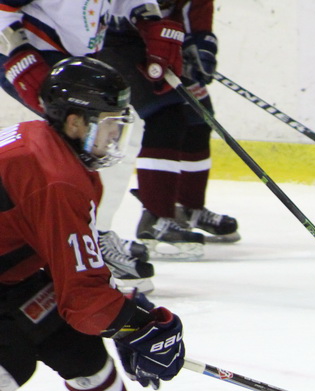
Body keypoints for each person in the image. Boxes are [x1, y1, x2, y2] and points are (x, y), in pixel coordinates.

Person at [0, 57, 187, 391]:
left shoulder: (46, 146)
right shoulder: (57, 178)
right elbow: (84, 300)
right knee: (10, 358)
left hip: (11, 274)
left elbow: (78, 283)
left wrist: (124, 318)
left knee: (75, 346)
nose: (115, 137)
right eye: (108, 125)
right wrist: (137, 324)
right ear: (74, 122)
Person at [0, 1, 185, 279]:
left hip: (75, 51)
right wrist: (17, 52)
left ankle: (88, 236)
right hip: (28, 50)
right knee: (94, 132)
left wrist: (149, 20)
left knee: (109, 130)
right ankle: (88, 241)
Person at [98, 0, 239, 259]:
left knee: (198, 116)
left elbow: (195, 9)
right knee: (164, 113)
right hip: (117, 41)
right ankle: (156, 216)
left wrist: (200, 45)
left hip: (163, 38)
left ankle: (190, 209)